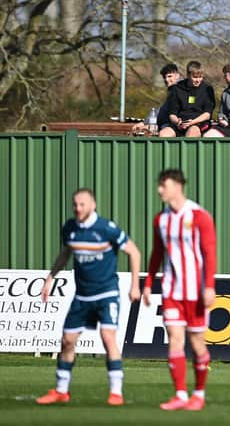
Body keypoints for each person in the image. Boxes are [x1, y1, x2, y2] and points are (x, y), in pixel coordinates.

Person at [36, 189, 141, 406]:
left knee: (108, 338)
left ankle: (116, 392)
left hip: (106, 293)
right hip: (82, 296)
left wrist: (135, 286)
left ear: (93, 204)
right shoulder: (70, 228)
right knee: (67, 341)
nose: (78, 208)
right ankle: (61, 390)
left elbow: (134, 252)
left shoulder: (106, 228)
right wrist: (50, 277)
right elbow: (65, 253)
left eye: (82, 204)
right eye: (75, 204)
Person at [143, 169, 217, 411]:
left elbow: (210, 252)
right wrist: (147, 283)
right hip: (172, 291)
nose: (159, 190)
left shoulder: (199, 216)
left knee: (197, 343)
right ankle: (180, 395)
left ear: (177, 186)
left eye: (163, 185)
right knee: (174, 339)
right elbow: (157, 254)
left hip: (196, 291)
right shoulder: (160, 219)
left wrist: (209, 287)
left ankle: (199, 393)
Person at [160, 61, 215, 138]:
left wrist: (192, 122)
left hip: (198, 123)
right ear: (188, 75)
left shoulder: (207, 89)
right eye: (195, 77)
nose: (198, 80)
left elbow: (207, 115)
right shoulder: (177, 88)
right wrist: (178, 122)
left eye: (200, 77)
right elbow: (172, 114)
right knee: (164, 134)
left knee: (191, 133)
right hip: (180, 124)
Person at [132, 63, 182, 135]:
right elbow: (163, 109)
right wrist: (145, 122)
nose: (167, 80)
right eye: (165, 77)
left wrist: (147, 123)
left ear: (177, 75)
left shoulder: (181, 89)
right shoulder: (172, 90)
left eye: (170, 76)